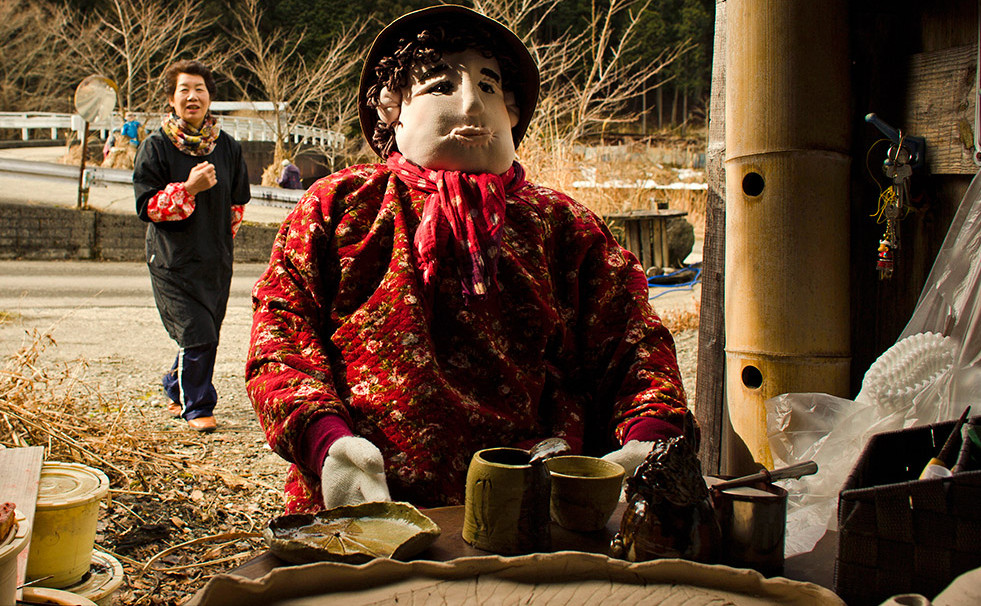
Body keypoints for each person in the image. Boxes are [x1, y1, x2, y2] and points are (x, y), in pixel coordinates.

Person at [247, 6, 691, 513]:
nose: (471, 103)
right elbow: (281, 332)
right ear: (391, 109)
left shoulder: (563, 224)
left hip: (539, 507)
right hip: (370, 505)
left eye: (488, 85)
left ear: (511, 109)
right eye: (440, 85)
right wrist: (328, 444)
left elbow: (634, 341)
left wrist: (649, 439)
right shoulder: (342, 207)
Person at [134, 59, 251, 433]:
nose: (192, 96)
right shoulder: (155, 147)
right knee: (197, 333)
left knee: (205, 335)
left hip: (214, 260)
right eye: (183, 90)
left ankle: (176, 384)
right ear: (171, 99)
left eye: (199, 89)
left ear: (209, 98)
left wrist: (221, 243)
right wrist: (188, 189)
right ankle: (197, 405)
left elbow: (237, 204)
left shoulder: (228, 147)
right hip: (171, 262)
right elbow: (147, 207)